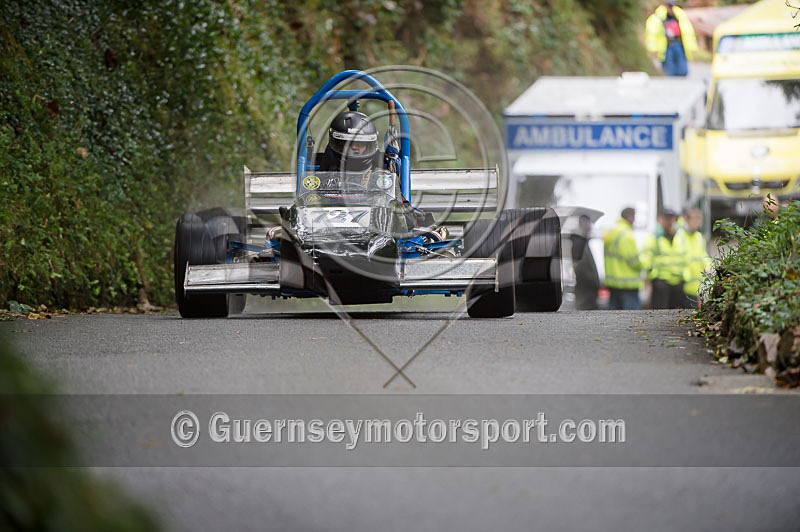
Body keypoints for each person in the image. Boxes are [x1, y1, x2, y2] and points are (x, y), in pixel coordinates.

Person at [641, 208, 689, 309]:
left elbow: (687, 256)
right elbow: (646, 256)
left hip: (678, 282)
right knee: (659, 312)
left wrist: (685, 275)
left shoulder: (681, 236)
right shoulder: (654, 237)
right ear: (660, 220)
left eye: (670, 218)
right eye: (666, 218)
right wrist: (650, 272)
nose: (668, 221)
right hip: (661, 282)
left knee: (673, 315)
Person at [603, 207, 643, 310]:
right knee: (632, 321)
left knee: (614, 318)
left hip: (613, 282)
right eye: (634, 217)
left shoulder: (611, 232)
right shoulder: (626, 235)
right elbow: (634, 261)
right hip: (628, 284)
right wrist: (645, 263)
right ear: (630, 217)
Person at [645, 1, 698, 77]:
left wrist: (692, 47)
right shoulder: (657, 18)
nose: (670, 8)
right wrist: (653, 48)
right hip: (666, 47)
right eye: (669, 6)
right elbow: (652, 34)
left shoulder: (680, 16)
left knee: (683, 71)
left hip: (679, 45)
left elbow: (688, 32)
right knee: (670, 71)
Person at [676, 207, 711, 307]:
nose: (698, 222)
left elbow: (704, 255)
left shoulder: (699, 237)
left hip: (694, 287)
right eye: (695, 218)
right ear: (686, 219)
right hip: (681, 285)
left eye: (700, 218)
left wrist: (708, 266)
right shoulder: (679, 235)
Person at [571, 215, 600, 310]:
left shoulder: (583, 241)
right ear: (581, 224)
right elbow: (580, 268)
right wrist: (593, 282)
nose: (589, 227)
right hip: (585, 291)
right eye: (587, 224)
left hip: (588, 290)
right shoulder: (579, 242)